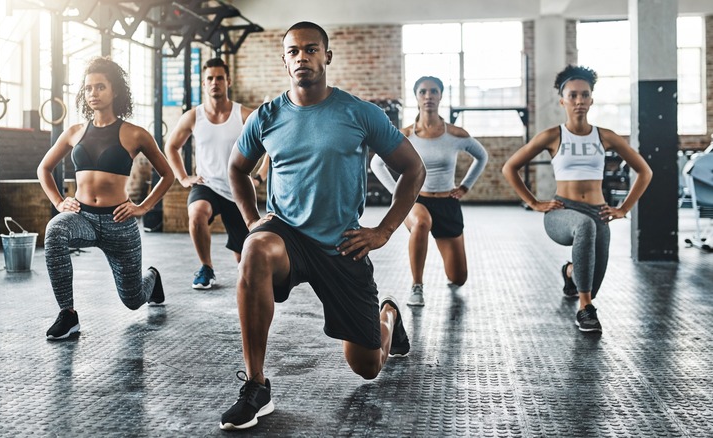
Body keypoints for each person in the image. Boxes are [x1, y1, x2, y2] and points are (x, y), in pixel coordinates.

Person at [221, 21, 426, 430]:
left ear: (327, 56)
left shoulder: (360, 113)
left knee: (367, 367)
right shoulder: (267, 116)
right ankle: (257, 386)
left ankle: (387, 316)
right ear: (284, 60)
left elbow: (413, 168)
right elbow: (237, 170)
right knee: (255, 249)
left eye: (311, 50)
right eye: (294, 51)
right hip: (286, 235)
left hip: (342, 244)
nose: (302, 58)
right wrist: (251, 223)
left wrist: (383, 230)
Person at [502, 65, 652, 333]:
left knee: (592, 280)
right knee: (585, 226)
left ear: (592, 99)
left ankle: (571, 273)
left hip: (599, 212)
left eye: (585, 95)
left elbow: (644, 171)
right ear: (562, 100)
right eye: (573, 96)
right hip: (562, 211)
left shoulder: (605, 136)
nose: (579, 101)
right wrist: (535, 202)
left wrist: (624, 208)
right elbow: (509, 167)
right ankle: (585, 309)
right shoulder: (552, 135)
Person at [37, 57, 174, 340]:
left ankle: (153, 279)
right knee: (55, 230)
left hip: (118, 224)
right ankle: (68, 315)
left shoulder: (135, 134)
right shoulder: (74, 132)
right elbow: (44, 168)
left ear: (115, 92)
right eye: (88, 88)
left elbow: (167, 174)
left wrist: (143, 207)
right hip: (82, 218)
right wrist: (59, 202)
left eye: (100, 87)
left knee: (133, 299)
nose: (93, 93)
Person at [371, 76, 488, 307]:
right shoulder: (405, 135)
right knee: (422, 222)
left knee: (458, 278)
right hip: (417, 200)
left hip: (447, 203)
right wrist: (399, 194)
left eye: (434, 91)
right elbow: (376, 163)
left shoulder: (455, 134)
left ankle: (451, 274)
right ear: (416, 97)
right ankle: (417, 285)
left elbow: (481, 156)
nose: (428, 96)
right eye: (423, 92)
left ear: (440, 96)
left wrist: (465, 186)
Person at [165, 58, 257, 289]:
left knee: (245, 264)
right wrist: (183, 177)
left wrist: (260, 175)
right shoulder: (194, 116)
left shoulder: (244, 115)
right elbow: (171, 146)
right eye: (210, 79)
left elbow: (270, 145)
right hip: (207, 185)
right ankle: (206, 267)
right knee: (197, 213)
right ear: (204, 84)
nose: (214, 82)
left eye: (219, 78)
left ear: (228, 81)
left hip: (238, 190)